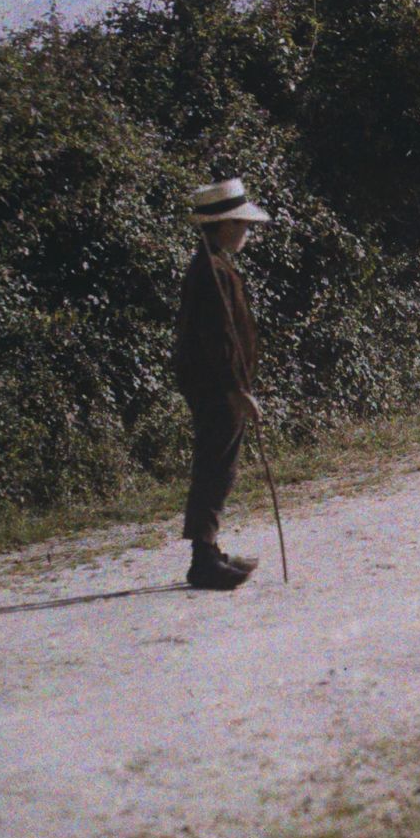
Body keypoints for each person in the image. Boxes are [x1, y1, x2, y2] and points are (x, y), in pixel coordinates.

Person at [174, 177, 272, 591]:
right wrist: (237, 389)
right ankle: (202, 561)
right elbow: (220, 340)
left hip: (218, 385)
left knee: (221, 466)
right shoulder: (212, 272)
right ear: (224, 225)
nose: (247, 232)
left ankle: (210, 550)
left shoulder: (216, 264)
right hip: (218, 387)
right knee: (216, 468)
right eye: (242, 225)